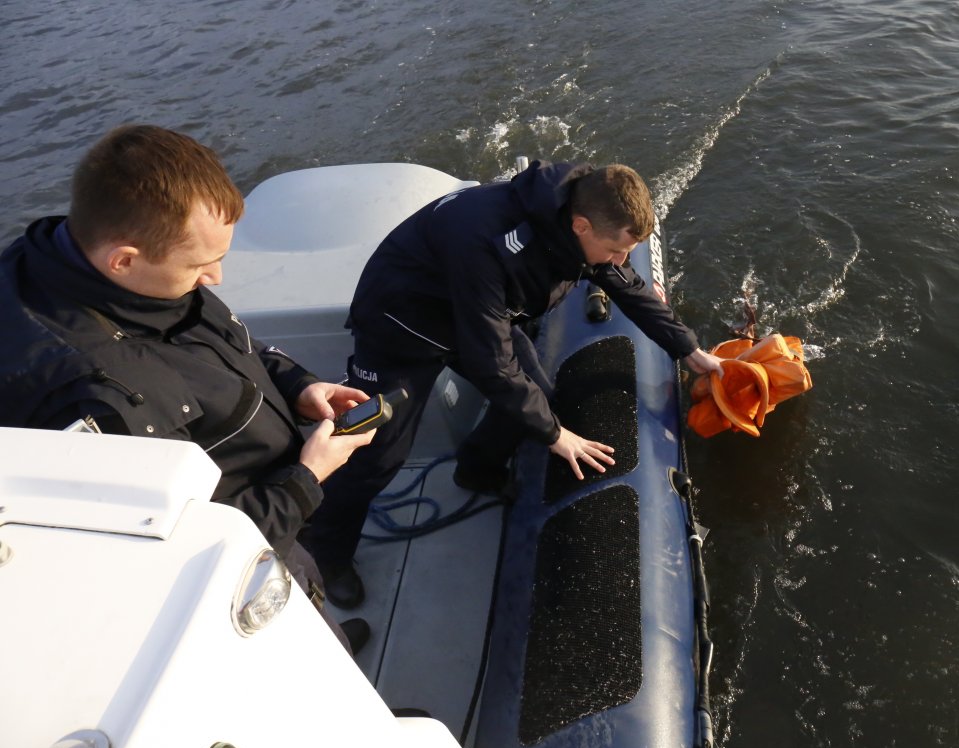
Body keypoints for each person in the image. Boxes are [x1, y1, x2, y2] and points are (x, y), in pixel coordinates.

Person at [0, 124, 376, 653]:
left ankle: (321, 622)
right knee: (305, 643)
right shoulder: (95, 401)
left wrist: (298, 386)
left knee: (310, 601)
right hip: (249, 547)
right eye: (200, 264)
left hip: (273, 489)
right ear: (124, 259)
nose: (217, 277)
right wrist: (307, 477)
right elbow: (196, 549)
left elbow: (227, 341)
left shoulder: (95, 265)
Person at [300, 160, 724, 609]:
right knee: (379, 455)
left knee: (535, 396)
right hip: (404, 323)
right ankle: (327, 552)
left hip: (476, 313)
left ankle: (476, 469)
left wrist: (687, 348)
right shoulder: (487, 244)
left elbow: (622, 280)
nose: (620, 259)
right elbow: (493, 365)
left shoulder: (576, 220)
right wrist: (556, 436)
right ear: (581, 225)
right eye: (616, 249)